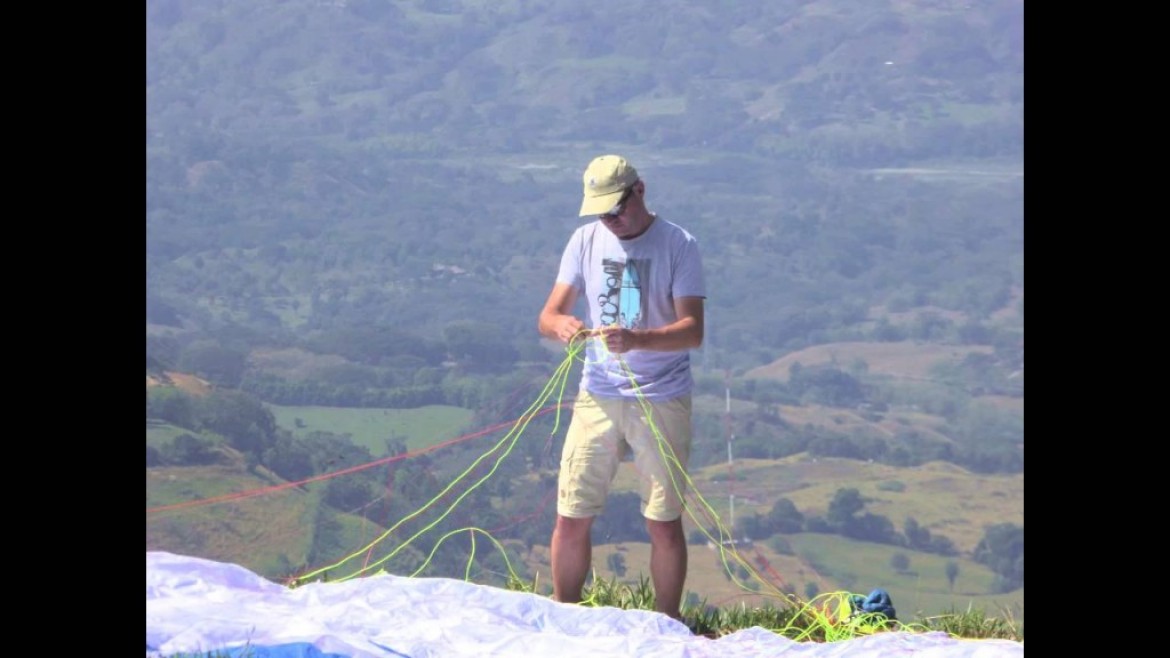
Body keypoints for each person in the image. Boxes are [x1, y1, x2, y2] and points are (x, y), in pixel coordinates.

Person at [537, 154, 706, 620]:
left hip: (661, 396)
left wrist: (639, 339)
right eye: (601, 212)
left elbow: (693, 331)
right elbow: (547, 316)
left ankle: (667, 625)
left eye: (617, 208)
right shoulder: (585, 240)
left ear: (640, 191)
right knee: (571, 514)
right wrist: (562, 326)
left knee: (662, 521)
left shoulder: (678, 244)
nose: (610, 220)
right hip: (598, 394)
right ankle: (563, 618)